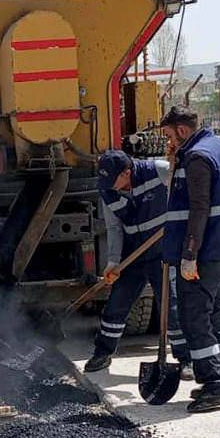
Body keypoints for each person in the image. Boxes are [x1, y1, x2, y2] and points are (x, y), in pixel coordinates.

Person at [159, 105, 220, 413]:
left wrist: (189, 254)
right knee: (214, 311)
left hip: (205, 250)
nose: (168, 142)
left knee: (194, 314)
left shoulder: (197, 158)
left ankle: (215, 384)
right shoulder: (218, 147)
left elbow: (199, 209)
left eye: (169, 135)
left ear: (182, 130)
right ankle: (219, 376)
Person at [85, 150, 189, 373]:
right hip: (133, 254)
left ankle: (186, 359)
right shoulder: (107, 191)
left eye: (113, 180)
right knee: (116, 303)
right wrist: (113, 261)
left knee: (170, 305)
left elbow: (188, 189)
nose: (109, 185)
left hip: (164, 252)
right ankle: (102, 353)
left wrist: (179, 221)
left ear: (127, 172)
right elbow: (114, 227)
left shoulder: (158, 171)